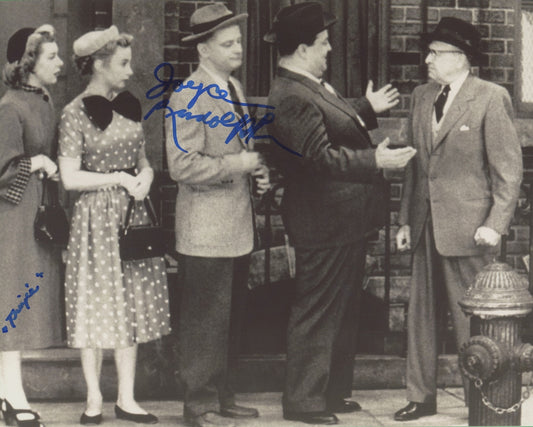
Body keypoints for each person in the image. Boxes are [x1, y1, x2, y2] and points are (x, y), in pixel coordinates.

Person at [264, 2, 417, 425]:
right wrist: (375, 163)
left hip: (342, 220)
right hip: (323, 221)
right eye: (323, 42)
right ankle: (304, 400)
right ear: (300, 49)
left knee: (340, 309)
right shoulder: (291, 94)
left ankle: (329, 392)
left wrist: (364, 109)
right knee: (318, 309)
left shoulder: (310, 84)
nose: (330, 48)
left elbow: (329, 127)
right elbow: (316, 158)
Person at [393, 17, 522, 422]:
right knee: (420, 318)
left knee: (475, 323)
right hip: (425, 226)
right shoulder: (420, 96)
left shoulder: (490, 97)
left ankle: (482, 398)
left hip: (471, 233)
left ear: (460, 58)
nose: (427, 59)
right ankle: (421, 396)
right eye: (429, 52)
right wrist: (404, 221)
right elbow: (416, 169)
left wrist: (495, 223)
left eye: (436, 53)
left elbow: (508, 171)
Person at [59, 26, 171, 425]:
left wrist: (146, 177)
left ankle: (127, 398)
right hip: (94, 221)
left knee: (132, 305)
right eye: (122, 63)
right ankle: (94, 398)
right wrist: (120, 180)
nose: (130, 70)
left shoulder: (127, 105)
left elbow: (142, 159)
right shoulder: (74, 113)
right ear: (99, 65)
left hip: (131, 216)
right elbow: (70, 178)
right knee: (94, 305)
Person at [165, 4, 270, 427]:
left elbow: (237, 152)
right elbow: (181, 165)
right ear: (203, 50)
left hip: (235, 225)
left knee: (228, 317)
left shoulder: (234, 88)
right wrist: (238, 167)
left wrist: (256, 175)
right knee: (205, 321)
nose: (238, 49)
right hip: (205, 229)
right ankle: (199, 406)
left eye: (239, 40)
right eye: (227, 44)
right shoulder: (188, 95)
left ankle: (222, 396)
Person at [0, 24, 64, 427]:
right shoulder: (11, 107)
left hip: (33, 213)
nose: (59, 64)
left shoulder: (42, 100)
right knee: (12, 305)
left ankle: (6, 393)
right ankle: (11, 393)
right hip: (13, 216)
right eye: (51, 57)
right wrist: (35, 163)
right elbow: (2, 171)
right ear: (29, 64)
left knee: (21, 304)